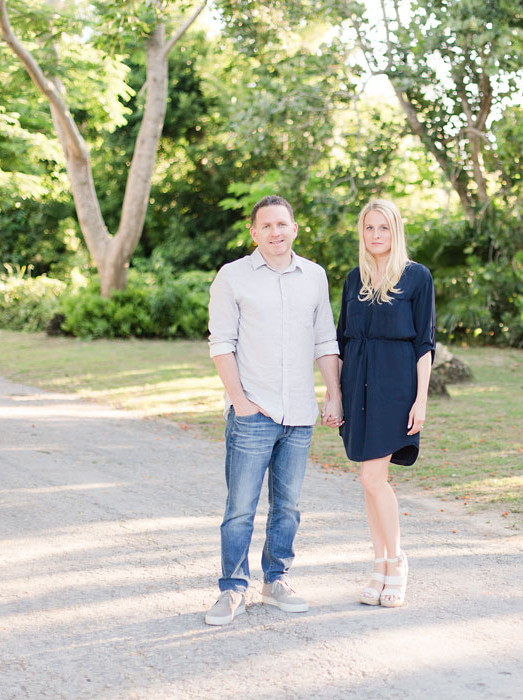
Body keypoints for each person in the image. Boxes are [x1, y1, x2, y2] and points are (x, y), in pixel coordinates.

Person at [204, 194, 343, 626]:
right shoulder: (232, 277)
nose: (275, 232)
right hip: (253, 413)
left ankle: (275, 580)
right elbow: (221, 343)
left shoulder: (314, 277)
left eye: (282, 224)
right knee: (241, 507)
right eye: (266, 226)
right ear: (254, 232)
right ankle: (232, 588)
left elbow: (325, 342)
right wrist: (241, 403)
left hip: (299, 414)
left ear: (294, 228)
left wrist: (333, 394)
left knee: (288, 507)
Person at [336, 199, 435, 608]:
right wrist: (334, 393)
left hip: (396, 387)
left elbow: (425, 344)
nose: (376, 236)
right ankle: (378, 564)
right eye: (369, 228)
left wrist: (421, 400)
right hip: (356, 385)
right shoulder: (352, 279)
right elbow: (340, 341)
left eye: (384, 228)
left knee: (373, 479)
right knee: (370, 482)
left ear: (396, 231)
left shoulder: (416, 278)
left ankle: (396, 562)